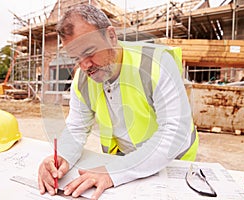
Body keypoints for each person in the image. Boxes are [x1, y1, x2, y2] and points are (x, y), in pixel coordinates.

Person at [38, 4, 198, 199]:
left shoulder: (155, 63)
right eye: (76, 58)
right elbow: (76, 128)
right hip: (125, 161)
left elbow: (174, 132)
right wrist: (61, 157)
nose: (84, 65)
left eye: (89, 52)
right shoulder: (81, 80)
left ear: (111, 36)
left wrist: (115, 171)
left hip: (174, 162)